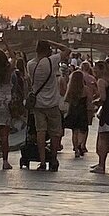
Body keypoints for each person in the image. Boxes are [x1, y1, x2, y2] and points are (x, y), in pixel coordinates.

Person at [26, 40, 71, 172]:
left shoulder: (30, 64)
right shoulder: (51, 61)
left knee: (40, 131)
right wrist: (54, 43)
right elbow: (67, 50)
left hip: (38, 103)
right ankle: (53, 159)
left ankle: (42, 161)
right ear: (48, 50)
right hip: (52, 103)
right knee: (54, 132)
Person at [63, 70, 90, 158]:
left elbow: (66, 99)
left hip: (73, 110)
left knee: (74, 131)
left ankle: (76, 149)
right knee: (83, 130)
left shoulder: (70, 89)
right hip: (82, 111)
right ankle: (80, 144)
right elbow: (89, 101)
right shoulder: (85, 89)